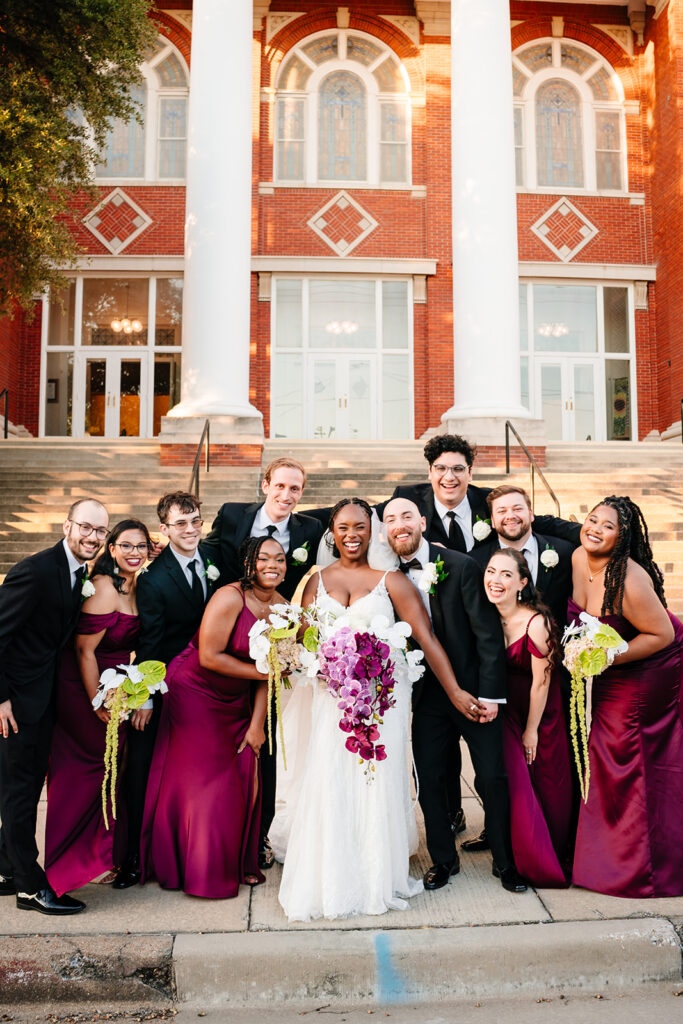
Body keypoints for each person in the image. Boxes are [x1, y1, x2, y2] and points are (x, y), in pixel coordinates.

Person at [272, 498, 488, 922]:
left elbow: (427, 640)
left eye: (360, 527)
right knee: (331, 781)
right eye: (343, 528)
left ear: (372, 531)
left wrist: (457, 692)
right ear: (331, 533)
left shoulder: (392, 581)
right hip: (331, 704)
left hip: (381, 706)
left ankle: (374, 875)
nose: (351, 535)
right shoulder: (316, 581)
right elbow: (302, 642)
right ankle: (331, 874)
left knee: (373, 786)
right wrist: (307, 663)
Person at [383, 498, 527, 894]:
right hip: (425, 696)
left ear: (423, 522)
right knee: (428, 779)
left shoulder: (461, 565)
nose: (400, 524)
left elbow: (487, 636)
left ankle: (505, 860)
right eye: (391, 519)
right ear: (384, 530)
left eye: (407, 516)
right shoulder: (384, 577)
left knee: (492, 777)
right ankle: (444, 861)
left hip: (476, 692)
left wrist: (493, 697)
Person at [141, 536, 286, 899]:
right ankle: (196, 868)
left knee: (242, 774)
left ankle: (239, 861)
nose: (273, 565)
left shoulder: (285, 609)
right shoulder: (229, 597)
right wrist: (267, 673)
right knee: (205, 782)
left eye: (280, 559)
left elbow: (274, 667)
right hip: (194, 690)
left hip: (236, 696)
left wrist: (256, 726)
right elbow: (210, 656)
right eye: (263, 559)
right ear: (249, 565)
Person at [202, 457, 323, 870]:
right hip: (227, 631)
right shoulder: (233, 514)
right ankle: (219, 835)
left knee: (265, 745)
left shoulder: (309, 529)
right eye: (280, 486)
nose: (286, 496)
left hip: (275, 631)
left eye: (296, 489)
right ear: (266, 484)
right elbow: (205, 551)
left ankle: (260, 835)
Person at [568, 496, 683, 898]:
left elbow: (662, 636)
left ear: (623, 537)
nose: (595, 529)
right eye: (591, 519)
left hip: (648, 668)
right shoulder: (579, 557)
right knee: (601, 754)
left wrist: (605, 657)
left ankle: (641, 869)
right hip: (611, 667)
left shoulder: (630, 579)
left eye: (608, 526)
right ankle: (603, 857)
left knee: (625, 754)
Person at [0, 497, 109, 916]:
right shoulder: (35, 570)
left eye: (100, 531)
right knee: (20, 791)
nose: (92, 537)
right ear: (67, 526)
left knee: (23, 786)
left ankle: (7, 865)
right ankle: (29, 886)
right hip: (16, 702)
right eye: (86, 527)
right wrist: (2, 698)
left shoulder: (80, 571)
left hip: (42, 698)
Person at [466, 485, 576, 855]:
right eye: (501, 510)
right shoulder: (480, 564)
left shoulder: (560, 552)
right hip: (501, 695)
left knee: (544, 773)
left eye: (518, 508)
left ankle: (546, 844)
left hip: (541, 693)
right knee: (500, 774)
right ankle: (503, 834)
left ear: (531, 513)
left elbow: (543, 678)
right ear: (491, 518)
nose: (510, 516)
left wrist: (532, 728)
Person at [45, 518, 153, 896]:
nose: (134, 553)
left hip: (118, 688)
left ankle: (101, 857)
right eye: (126, 546)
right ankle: (64, 866)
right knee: (86, 774)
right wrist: (96, 702)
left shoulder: (138, 584)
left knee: (111, 772)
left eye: (141, 546)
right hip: (85, 688)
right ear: (112, 549)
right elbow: (84, 650)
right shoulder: (105, 588)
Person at [113, 492, 214, 890]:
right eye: (180, 524)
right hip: (168, 685)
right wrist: (147, 698)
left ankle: (193, 849)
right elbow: (151, 644)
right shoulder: (153, 580)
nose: (190, 530)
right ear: (164, 530)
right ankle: (134, 860)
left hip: (210, 684)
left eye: (195, 521)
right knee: (143, 768)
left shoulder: (216, 559)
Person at [483, 548, 573, 887]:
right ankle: (519, 859)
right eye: (492, 571)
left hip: (539, 713)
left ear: (522, 582)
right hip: (505, 713)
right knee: (517, 784)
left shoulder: (537, 623)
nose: (496, 580)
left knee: (547, 784)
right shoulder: (487, 614)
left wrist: (532, 730)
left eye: (507, 574)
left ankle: (545, 854)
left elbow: (542, 682)